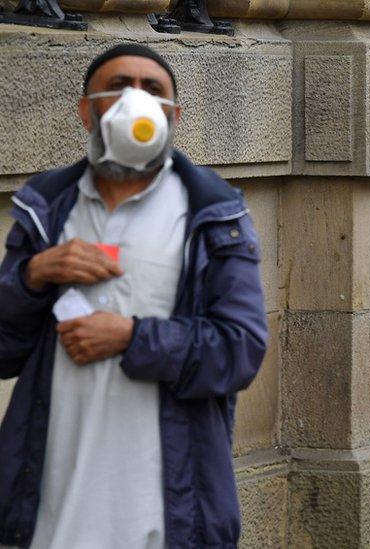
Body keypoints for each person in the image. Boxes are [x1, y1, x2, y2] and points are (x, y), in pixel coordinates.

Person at [0, 44, 268, 548]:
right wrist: (31, 276)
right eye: (119, 86)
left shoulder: (214, 214)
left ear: (173, 115)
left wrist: (132, 336)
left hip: (165, 509)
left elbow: (239, 351)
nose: (136, 100)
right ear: (87, 110)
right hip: (50, 506)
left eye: (153, 90)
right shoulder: (47, 210)